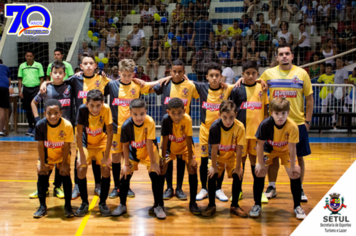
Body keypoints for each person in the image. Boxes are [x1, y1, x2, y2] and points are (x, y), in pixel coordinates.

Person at [40, 52, 111, 200]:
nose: (89, 66)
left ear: (95, 65)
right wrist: (45, 83)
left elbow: (117, 85)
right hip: (81, 124)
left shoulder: (102, 79)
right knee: (80, 157)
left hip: (98, 124)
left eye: (91, 63)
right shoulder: (76, 79)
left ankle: (98, 184)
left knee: (96, 158)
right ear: (81, 66)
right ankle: (77, 186)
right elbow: (58, 81)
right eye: (85, 63)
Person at [256, 44, 313, 203]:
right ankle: (272, 186)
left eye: (287, 53)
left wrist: (307, 121)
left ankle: (299, 187)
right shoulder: (269, 73)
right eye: (281, 54)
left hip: (298, 123)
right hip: (275, 124)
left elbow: (309, 99)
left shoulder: (302, 74)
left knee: (299, 157)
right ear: (277, 57)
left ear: (292, 56)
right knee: (272, 158)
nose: (284, 56)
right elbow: (253, 83)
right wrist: (240, 79)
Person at [104, 59, 168, 199]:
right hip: (116, 128)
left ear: (133, 74)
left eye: (129, 75)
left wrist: (168, 77)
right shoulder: (112, 85)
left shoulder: (137, 85)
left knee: (129, 160)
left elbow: (153, 85)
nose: (126, 78)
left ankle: (126, 186)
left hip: (133, 131)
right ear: (119, 73)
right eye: (124, 75)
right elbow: (95, 83)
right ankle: (117, 187)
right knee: (115, 157)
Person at [253, 97, 307, 220]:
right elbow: (260, 145)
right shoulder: (265, 124)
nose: (280, 117)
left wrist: (293, 166)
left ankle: (297, 206)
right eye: (276, 113)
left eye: (283, 113)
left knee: (294, 174)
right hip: (269, 149)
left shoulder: (292, 126)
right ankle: (257, 205)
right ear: (271, 113)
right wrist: (260, 164)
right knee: (259, 172)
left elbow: (293, 147)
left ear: (288, 112)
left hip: (285, 150)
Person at [153, 60, 199, 200]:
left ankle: (179, 188)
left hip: (184, 128)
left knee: (180, 159)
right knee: (167, 158)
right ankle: (168, 188)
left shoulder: (190, 86)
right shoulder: (166, 84)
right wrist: (165, 78)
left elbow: (198, 97)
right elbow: (153, 87)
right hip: (168, 128)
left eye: (180, 72)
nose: (177, 74)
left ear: (184, 72)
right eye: (174, 71)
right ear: (170, 72)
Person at [114, 98, 165, 219]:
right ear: (130, 112)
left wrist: (153, 162)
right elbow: (125, 146)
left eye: (142, 114)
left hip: (149, 153)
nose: (139, 117)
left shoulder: (150, 122)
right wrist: (126, 165)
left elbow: (148, 143)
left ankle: (158, 205)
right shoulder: (126, 126)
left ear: (146, 112)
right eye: (135, 114)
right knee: (125, 176)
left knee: (156, 175)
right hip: (133, 154)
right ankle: (122, 204)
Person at [29, 61, 73, 199]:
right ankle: (42, 188)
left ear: (65, 74)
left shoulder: (70, 87)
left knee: (62, 162)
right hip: (48, 132)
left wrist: (46, 82)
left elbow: (79, 76)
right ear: (51, 74)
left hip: (64, 132)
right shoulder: (45, 89)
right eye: (55, 72)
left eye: (61, 73)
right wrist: (37, 121)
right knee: (44, 160)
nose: (58, 75)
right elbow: (33, 103)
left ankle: (57, 187)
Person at [193, 63, 234, 202]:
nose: (215, 78)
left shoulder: (227, 89)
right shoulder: (201, 87)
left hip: (221, 132)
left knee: (219, 161)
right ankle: (204, 188)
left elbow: (244, 84)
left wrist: (259, 80)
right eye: (212, 76)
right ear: (207, 77)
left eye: (217, 75)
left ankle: (218, 188)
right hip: (205, 131)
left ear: (221, 77)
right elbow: (183, 80)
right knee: (204, 160)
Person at [230, 61, 269, 203]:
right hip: (240, 134)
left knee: (257, 162)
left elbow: (265, 111)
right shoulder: (236, 89)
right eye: (248, 73)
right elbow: (232, 111)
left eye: (253, 73)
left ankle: (260, 192)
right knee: (239, 162)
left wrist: (266, 130)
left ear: (257, 74)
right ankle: (238, 191)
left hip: (257, 135)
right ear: (242, 74)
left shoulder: (262, 88)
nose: (251, 76)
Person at [201, 100, 246, 217]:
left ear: (236, 115)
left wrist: (238, 168)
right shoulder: (215, 127)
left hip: (232, 156)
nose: (228, 121)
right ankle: (211, 205)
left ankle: (235, 205)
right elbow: (214, 149)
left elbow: (240, 149)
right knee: (211, 174)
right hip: (218, 157)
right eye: (224, 117)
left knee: (238, 174)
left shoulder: (240, 127)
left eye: (231, 117)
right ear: (219, 115)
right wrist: (214, 167)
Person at [33, 99, 74, 218]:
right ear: (44, 113)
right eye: (49, 113)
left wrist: (64, 163)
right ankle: (42, 206)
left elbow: (67, 145)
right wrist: (42, 162)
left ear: (61, 113)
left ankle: (68, 206)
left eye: (56, 113)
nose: (53, 116)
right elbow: (40, 145)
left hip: (62, 156)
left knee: (65, 174)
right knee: (41, 174)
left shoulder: (67, 125)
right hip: (47, 156)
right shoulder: (40, 125)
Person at [75, 89, 113, 217]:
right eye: (92, 105)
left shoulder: (106, 109)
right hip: (86, 143)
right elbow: (79, 134)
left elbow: (110, 132)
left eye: (98, 105)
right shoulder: (82, 110)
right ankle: (84, 203)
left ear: (102, 103)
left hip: (101, 142)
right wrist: (81, 155)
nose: (95, 109)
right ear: (87, 104)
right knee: (80, 169)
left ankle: (102, 202)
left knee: (106, 169)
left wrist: (107, 156)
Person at [161, 98, 201, 214]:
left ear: (184, 111)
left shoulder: (187, 119)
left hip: (184, 147)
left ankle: (192, 203)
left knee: (193, 168)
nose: (177, 116)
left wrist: (191, 159)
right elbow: (164, 140)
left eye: (179, 113)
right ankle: (160, 201)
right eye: (173, 113)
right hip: (170, 147)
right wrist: (163, 159)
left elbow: (189, 139)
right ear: (168, 112)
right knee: (161, 168)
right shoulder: (165, 120)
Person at [18, 49, 44, 136]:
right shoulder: (22, 66)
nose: (29, 57)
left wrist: (40, 89)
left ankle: (36, 127)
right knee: (27, 109)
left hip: (36, 89)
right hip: (26, 90)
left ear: (33, 56)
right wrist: (20, 91)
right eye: (27, 56)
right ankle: (31, 127)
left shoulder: (38, 65)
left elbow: (41, 78)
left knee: (34, 107)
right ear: (25, 57)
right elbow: (20, 79)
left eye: (30, 56)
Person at [0, 59, 13, 137]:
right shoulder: (5, 68)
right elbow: (9, 82)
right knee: (2, 109)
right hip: (4, 88)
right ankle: (1, 131)